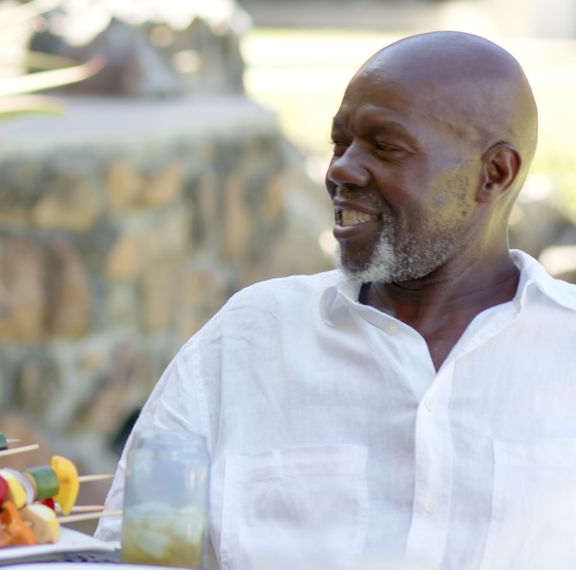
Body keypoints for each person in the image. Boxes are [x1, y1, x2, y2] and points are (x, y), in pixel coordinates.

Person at [98, 31, 576, 569]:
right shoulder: (247, 342)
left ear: (495, 174)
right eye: (340, 142)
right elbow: (131, 556)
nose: (340, 170)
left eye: (385, 147)